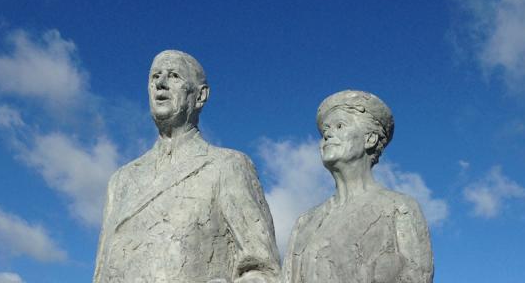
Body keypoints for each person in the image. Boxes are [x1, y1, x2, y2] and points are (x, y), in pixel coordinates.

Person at [93, 50, 280, 283]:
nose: (161, 84)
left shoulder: (228, 166)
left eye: (173, 76)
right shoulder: (121, 180)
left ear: (200, 95)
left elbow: (264, 271)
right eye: (154, 77)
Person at [282, 90, 433, 283]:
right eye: (325, 131)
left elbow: (418, 276)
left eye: (339, 126)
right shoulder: (304, 223)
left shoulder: (400, 208)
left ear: (370, 139)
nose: (327, 135)